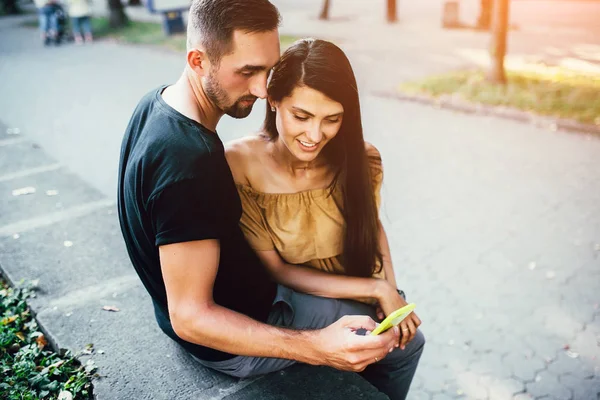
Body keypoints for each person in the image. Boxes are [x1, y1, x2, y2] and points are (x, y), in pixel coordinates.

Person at [117, 0, 418, 398]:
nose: (262, 89)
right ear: (197, 60)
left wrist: (381, 286)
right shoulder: (193, 162)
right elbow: (190, 317)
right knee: (403, 345)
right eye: (247, 72)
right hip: (239, 332)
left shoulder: (155, 104)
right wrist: (318, 348)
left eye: (268, 70)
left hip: (254, 301)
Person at [225, 38, 424, 398]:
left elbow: (372, 226)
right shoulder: (241, 164)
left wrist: (390, 289)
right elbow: (277, 270)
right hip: (291, 293)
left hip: (354, 280)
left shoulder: (361, 157)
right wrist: (377, 289)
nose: (315, 136)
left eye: (332, 119)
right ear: (273, 100)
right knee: (385, 345)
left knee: (407, 343)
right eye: (301, 117)